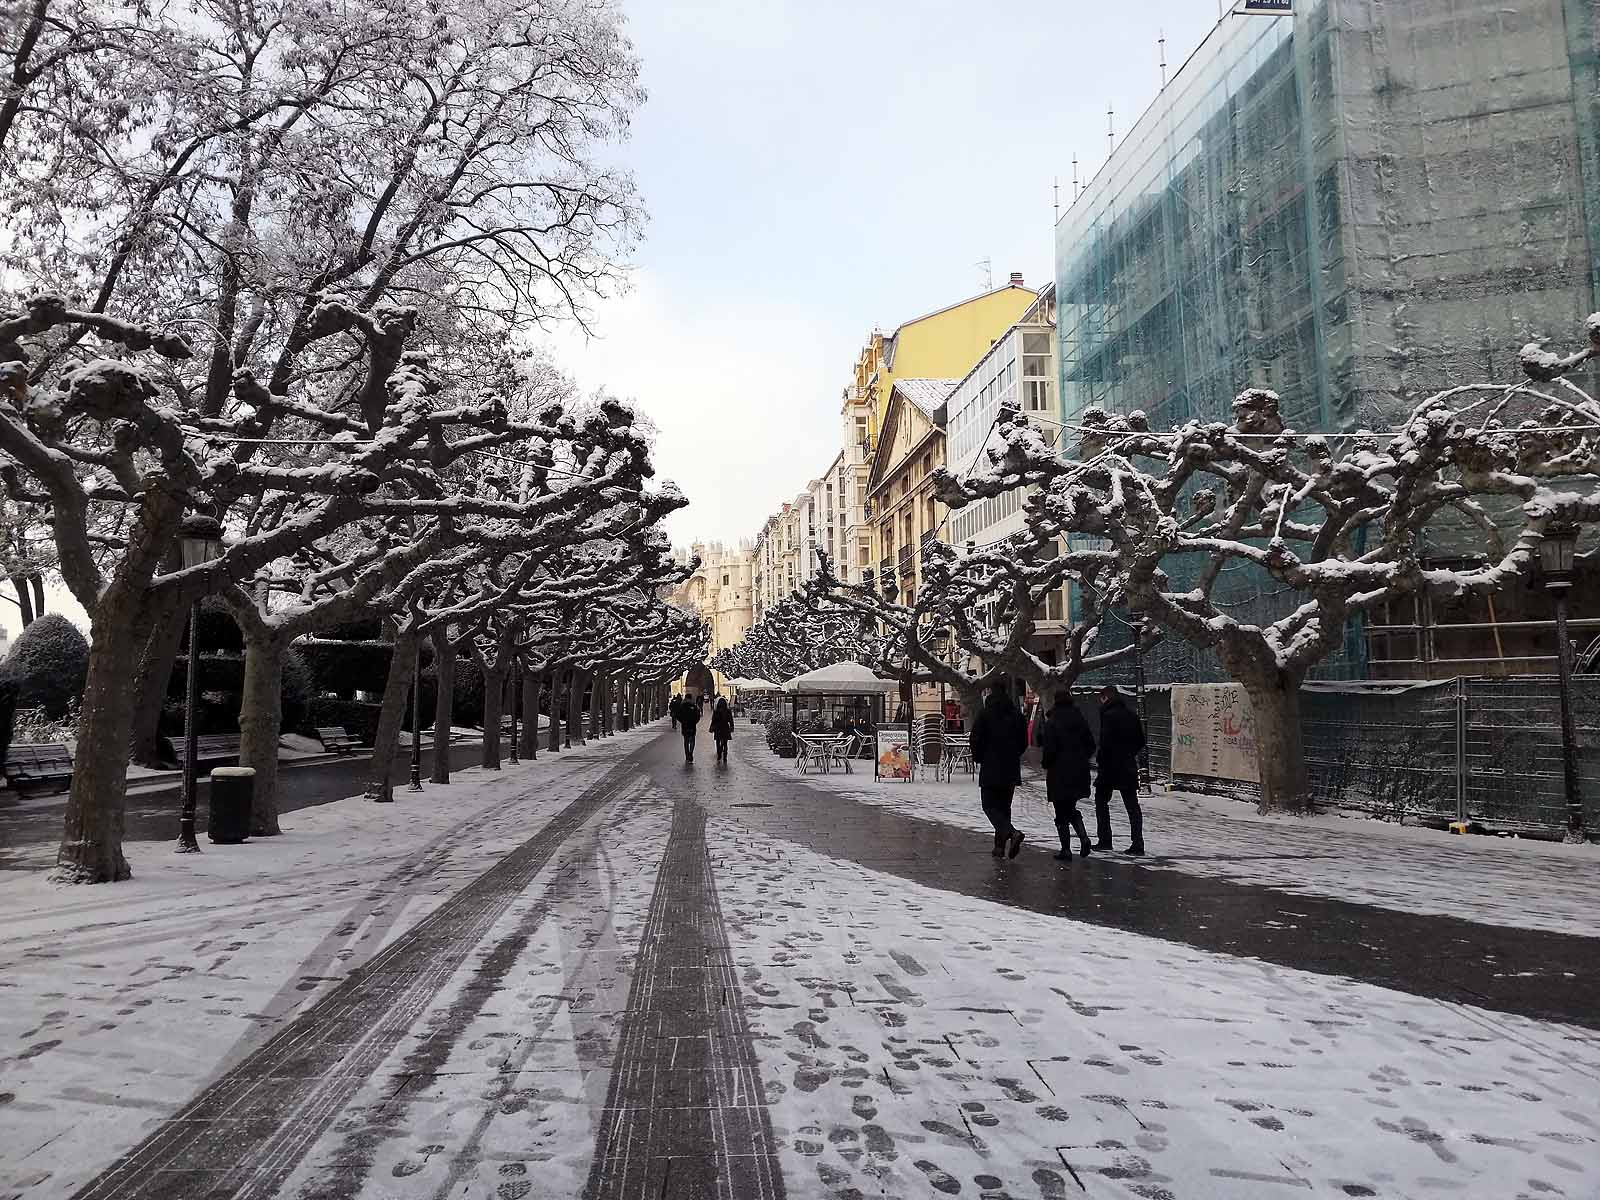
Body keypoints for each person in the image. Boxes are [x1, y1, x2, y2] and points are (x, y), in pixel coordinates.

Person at [970, 677, 1030, 859]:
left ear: (990, 693)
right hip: (1010, 766)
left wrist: (979, 757)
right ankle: (999, 847)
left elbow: (975, 738)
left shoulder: (985, 713)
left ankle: (1011, 833)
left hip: (990, 765)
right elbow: (1023, 741)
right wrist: (1014, 755)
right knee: (1004, 807)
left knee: (989, 805)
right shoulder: (1016, 714)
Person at [1037, 690, 1096, 860]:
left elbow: (1049, 750)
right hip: (1079, 771)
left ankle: (1066, 849)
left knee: (1061, 810)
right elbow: (1091, 745)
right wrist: (1081, 758)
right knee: (1070, 807)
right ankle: (1083, 838)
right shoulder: (1080, 719)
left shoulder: (1052, 722)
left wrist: (1047, 764)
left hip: (1059, 772)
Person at [1094, 685, 1146, 855]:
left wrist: (1102, 759)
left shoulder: (1107, 715)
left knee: (1101, 801)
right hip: (1127, 765)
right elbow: (1140, 740)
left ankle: (1105, 840)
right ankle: (1138, 842)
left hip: (1109, 766)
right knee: (1132, 805)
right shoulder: (1132, 715)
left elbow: (1105, 742)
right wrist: (1129, 753)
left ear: (1105, 698)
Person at [710, 696, 734, 764]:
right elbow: (731, 720)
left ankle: (719, 753)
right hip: (725, 727)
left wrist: (711, 727)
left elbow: (713, 720)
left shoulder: (716, 711)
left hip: (717, 728)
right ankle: (725, 755)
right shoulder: (728, 711)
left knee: (718, 741)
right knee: (725, 742)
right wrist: (732, 727)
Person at [679, 694, 701, 763]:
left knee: (686, 741)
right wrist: (695, 722)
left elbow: (678, 715)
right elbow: (698, 715)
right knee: (692, 740)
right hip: (692, 725)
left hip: (685, 725)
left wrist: (682, 721)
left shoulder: (682, 705)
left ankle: (687, 755)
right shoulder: (694, 706)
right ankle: (691, 753)